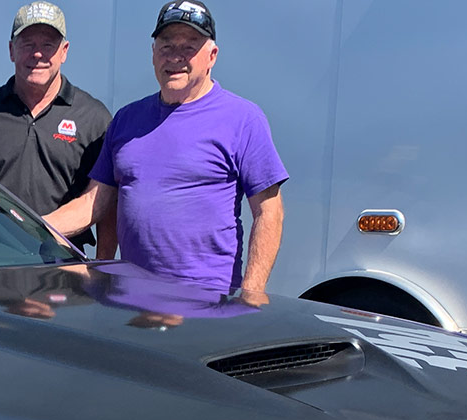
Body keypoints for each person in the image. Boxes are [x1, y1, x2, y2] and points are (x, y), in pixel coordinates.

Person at [45, 1, 288, 293]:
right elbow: (92, 204)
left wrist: (252, 292)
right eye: (167, 46)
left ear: (212, 56)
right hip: (134, 300)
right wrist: (26, 226)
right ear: (153, 54)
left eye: (189, 47)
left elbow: (269, 212)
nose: (176, 58)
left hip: (207, 301)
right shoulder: (127, 120)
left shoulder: (243, 119)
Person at [0, 2, 112, 250]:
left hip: (63, 266)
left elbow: (106, 202)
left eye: (47, 45)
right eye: (28, 44)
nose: (38, 54)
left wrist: (102, 265)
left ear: (64, 51)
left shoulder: (94, 119)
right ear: (11, 50)